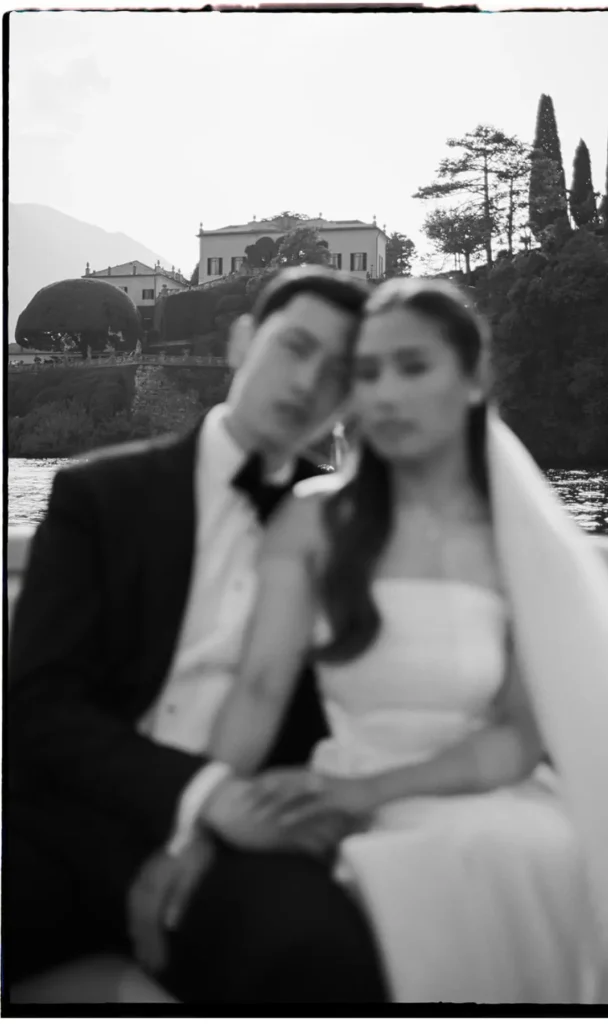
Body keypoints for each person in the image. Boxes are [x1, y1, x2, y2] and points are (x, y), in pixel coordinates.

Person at [138, 277, 608, 1004]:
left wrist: (365, 791)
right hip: (340, 798)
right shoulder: (313, 520)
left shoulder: (513, 538)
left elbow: (516, 738)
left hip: (478, 788)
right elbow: (256, 691)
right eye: (366, 373)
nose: (384, 395)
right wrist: (192, 828)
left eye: (412, 367)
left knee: (540, 852)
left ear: (473, 377)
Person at [6, 266, 388, 1004]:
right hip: (70, 821)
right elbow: (37, 706)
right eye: (293, 346)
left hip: (246, 841)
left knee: (324, 953)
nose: (307, 382)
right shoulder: (99, 494)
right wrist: (202, 797)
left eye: (337, 371)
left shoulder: (351, 526)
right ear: (242, 342)